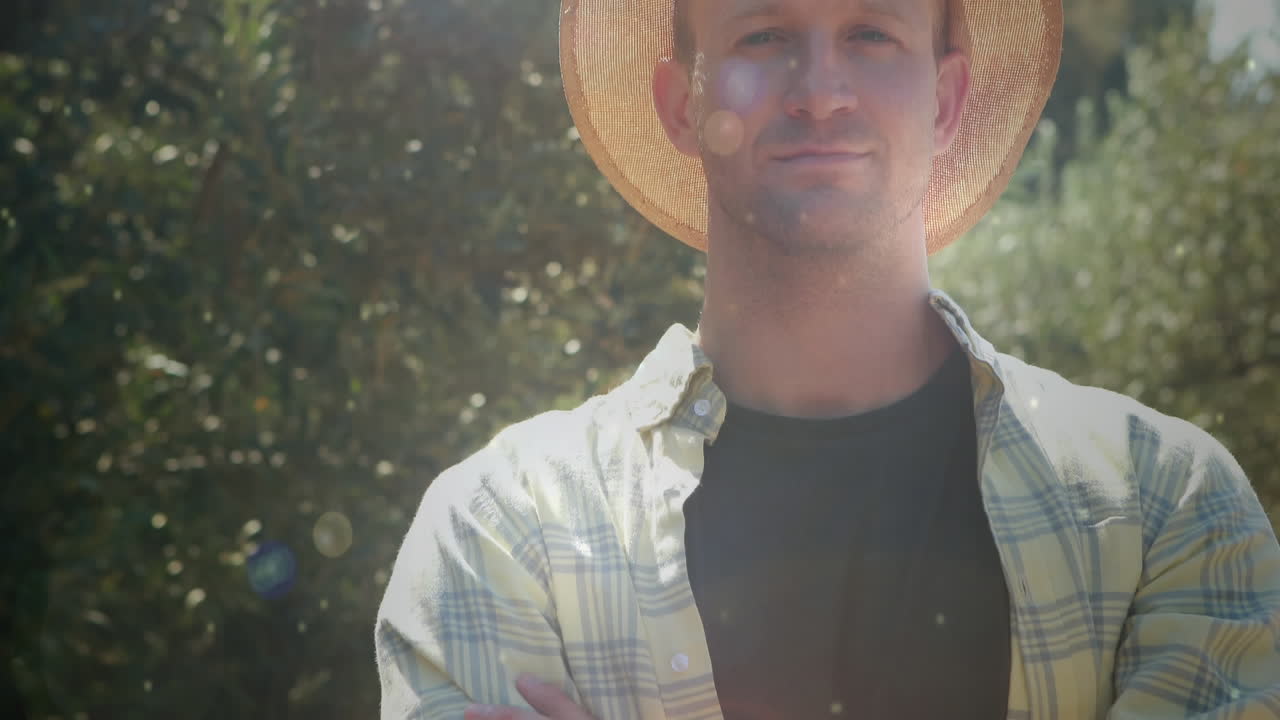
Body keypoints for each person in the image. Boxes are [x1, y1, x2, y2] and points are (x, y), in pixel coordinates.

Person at [375, 0, 1280, 717]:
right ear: (680, 104)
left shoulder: (1168, 509)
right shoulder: (503, 530)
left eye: (871, 33)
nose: (819, 89)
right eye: (763, 33)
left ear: (949, 100)